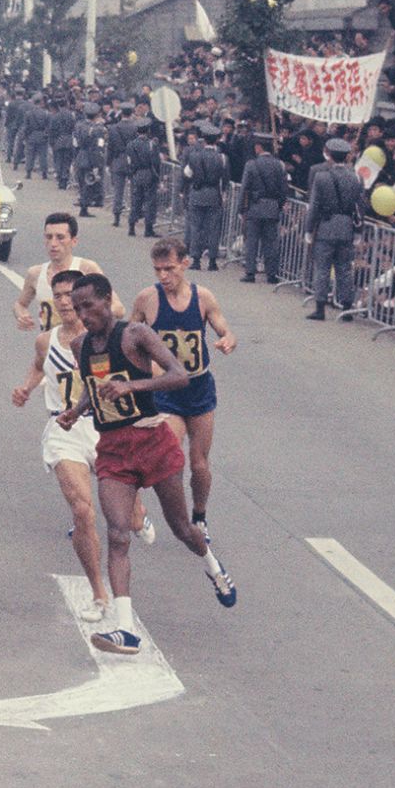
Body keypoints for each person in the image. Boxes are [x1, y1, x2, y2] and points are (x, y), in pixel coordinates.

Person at [56, 274, 236, 655]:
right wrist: (75, 411)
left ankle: (214, 567)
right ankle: (126, 630)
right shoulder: (80, 344)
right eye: (78, 307)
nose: (83, 314)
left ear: (108, 301)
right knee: (118, 533)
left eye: (89, 305)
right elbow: (94, 386)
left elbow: (179, 375)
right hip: (114, 449)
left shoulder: (135, 335)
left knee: (182, 528)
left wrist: (132, 387)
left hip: (152, 440)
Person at [11, 270, 157, 623]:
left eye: (69, 296)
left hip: (105, 427)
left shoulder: (106, 339)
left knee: (129, 518)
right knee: (82, 510)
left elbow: (143, 371)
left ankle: (139, 513)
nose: (63, 302)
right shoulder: (46, 341)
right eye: (58, 296)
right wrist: (27, 388)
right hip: (63, 427)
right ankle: (99, 593)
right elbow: (38, 366)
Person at [131, 238, 237, 538]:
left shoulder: (203, 297)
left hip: (199, 387)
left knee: (200, 462)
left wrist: (228, 339)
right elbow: (130, 337)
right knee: (171, 453)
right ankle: (168, 517)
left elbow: (224, 327)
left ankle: (199, 515)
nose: (164, 276)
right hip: (167, 391)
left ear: (185, 264)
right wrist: (143, 367)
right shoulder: (147, 300)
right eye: (158, 270)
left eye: (170, 269)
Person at [13, 212, 118, 332]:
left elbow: (118, 308)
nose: (53, 244)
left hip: (83, 346)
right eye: (49, 237)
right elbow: (20, 304)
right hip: (50, 347)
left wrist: (87, 313)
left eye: (60, 237)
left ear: (74, 241)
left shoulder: (87, 269)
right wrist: (22, 316)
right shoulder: (35, 273)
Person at [305, 138, 363, 321]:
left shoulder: (321, 177)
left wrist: (308, 228)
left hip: (326, 226)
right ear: (346, 156)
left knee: (322, 268)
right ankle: (347, 307)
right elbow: (360, 206)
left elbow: (314, 206)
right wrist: (359, 231)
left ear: (329, 154)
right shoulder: (356, 177)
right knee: (344, 268)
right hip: (346, 226)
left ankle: (320, 307)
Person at [240, 137, 289, 283]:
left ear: (259, 148)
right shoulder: (279, 165)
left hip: (255, 206)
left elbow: (244, 188)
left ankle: (250, 272)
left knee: (252, 241)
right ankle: (271, 274)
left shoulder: (251, 164)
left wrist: (241, 208)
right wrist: (279, 205)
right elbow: (283, 188)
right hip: (272, 206)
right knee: (271, 243)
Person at [183, 121, 229, 269]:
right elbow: (225, 180)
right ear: (216, 140)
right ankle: (212, 261)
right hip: (214, 194)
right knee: (213, 229)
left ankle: (195, 260)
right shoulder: (222, 158)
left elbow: (187, 173)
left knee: (196, 227)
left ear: (203, 139)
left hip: (196, 193)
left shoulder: (194, 155)